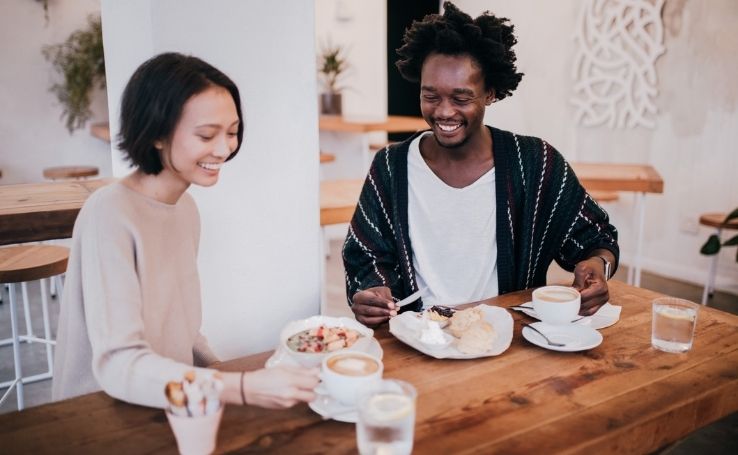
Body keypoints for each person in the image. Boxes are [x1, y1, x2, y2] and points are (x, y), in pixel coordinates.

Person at [52, 53, 319, 409]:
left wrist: (226, 373)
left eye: (232, 132)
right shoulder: (110, 213)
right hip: (98, 415)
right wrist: (239, 387)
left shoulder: (185, 209)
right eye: (207, 134)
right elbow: (118, 364)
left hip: (170, 402)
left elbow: (183, 332)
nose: (224, 148)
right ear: (157, 133)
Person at [343, 2, 619, 327]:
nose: (444, 112)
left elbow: (595, 238)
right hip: (416, 341)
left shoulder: (534, 163)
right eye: (431, 96)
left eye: (461, 98)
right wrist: (371, 292)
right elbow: (366, 255)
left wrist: (598, 265)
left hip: (507, 343)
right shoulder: (390, 167)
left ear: (489, 93)